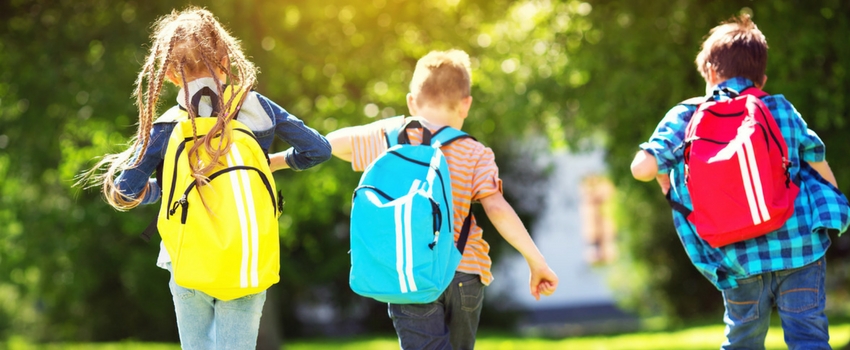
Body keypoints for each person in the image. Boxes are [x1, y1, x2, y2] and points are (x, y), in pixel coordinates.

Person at [78, 7, 331, 349]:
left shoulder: (167, 125)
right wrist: (272, 162)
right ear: (226, 57)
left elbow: (125, 190)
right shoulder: (257, 107)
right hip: (246, 255)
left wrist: (166, 190)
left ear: (168, 74)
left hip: (187, 259)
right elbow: (319, 149)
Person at [630, 14, 849, 349]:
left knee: (742, 342)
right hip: (800, 248)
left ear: (711, 72)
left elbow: (641, 168)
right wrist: (836, 212)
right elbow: (818, 164)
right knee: (809, 339)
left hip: (736, 259)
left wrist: (663, 172)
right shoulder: (780, 109)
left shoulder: (687, 115)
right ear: (761, 79)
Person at [326, 49, 558, 350]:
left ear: (412, 102)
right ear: (466, 105)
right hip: (465, 270)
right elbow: (497, 208)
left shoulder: (394, 138)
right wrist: (536, 262)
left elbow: (331, 144)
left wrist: (276, 161)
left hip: (411, 272)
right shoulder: (476, 153)